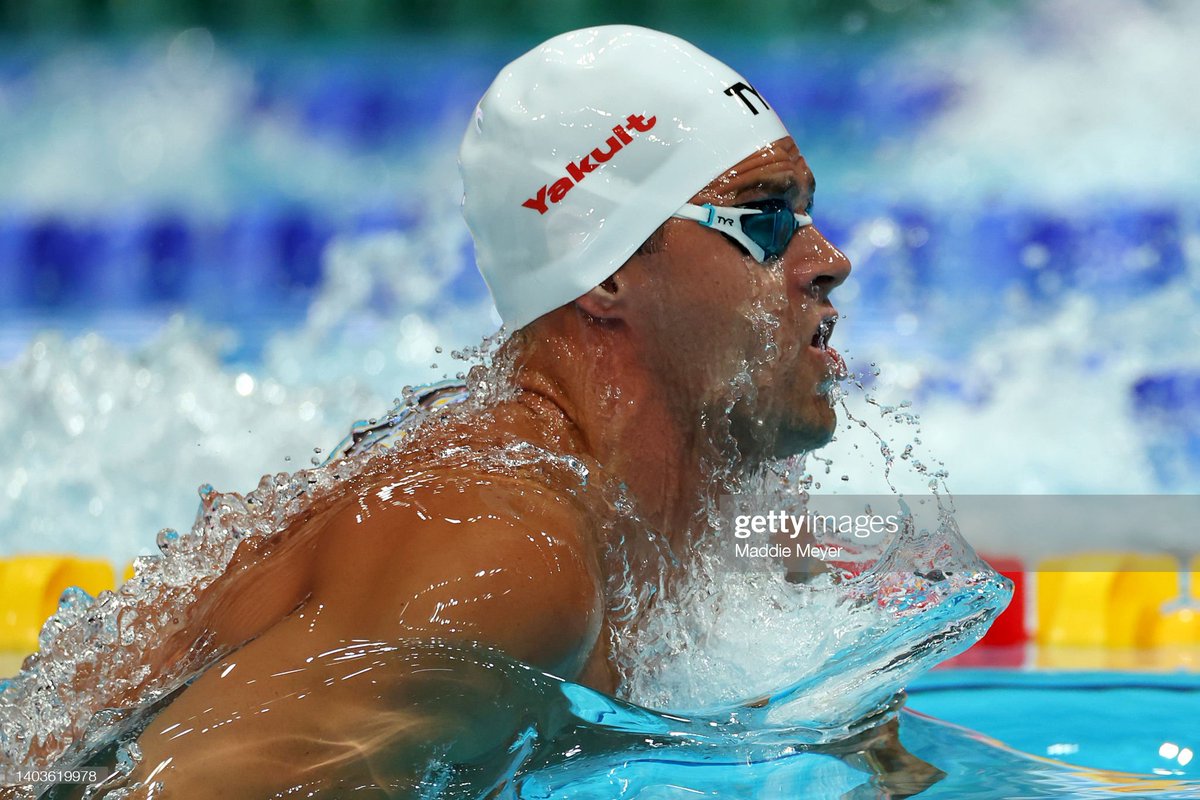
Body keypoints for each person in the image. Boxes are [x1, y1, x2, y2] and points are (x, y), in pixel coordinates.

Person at [41, 25, 937, 799]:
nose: (828, 259)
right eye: (767, 219)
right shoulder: (497, 556)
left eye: (810, 213)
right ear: (607, 272)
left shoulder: (743, 542)